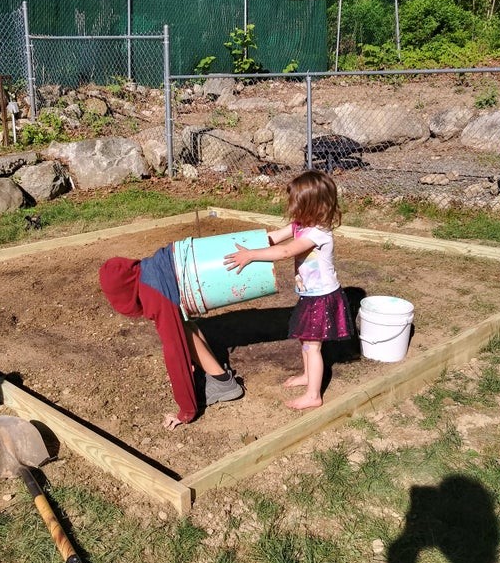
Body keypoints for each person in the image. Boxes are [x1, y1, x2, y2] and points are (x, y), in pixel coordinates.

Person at [224, 170, 353, 410]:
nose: (291, 207)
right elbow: (274, 239)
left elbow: (285, 252)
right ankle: (307, 375)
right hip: (310, 295)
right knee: (306, 339)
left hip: (323, 297)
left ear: (311, 205)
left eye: (295, 203)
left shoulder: (318, 233)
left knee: (313, 346)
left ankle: (314, 395)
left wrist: (251, 256)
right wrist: (249, 242)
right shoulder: (301, 225)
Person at [99, 244, 243, 431]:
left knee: (178, 334)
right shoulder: (151, 270)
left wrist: (186, 411)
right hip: (180, 256)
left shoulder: (154, 295)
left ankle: (224, 384)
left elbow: (175, 351)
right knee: (184, 324)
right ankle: (215, 374)